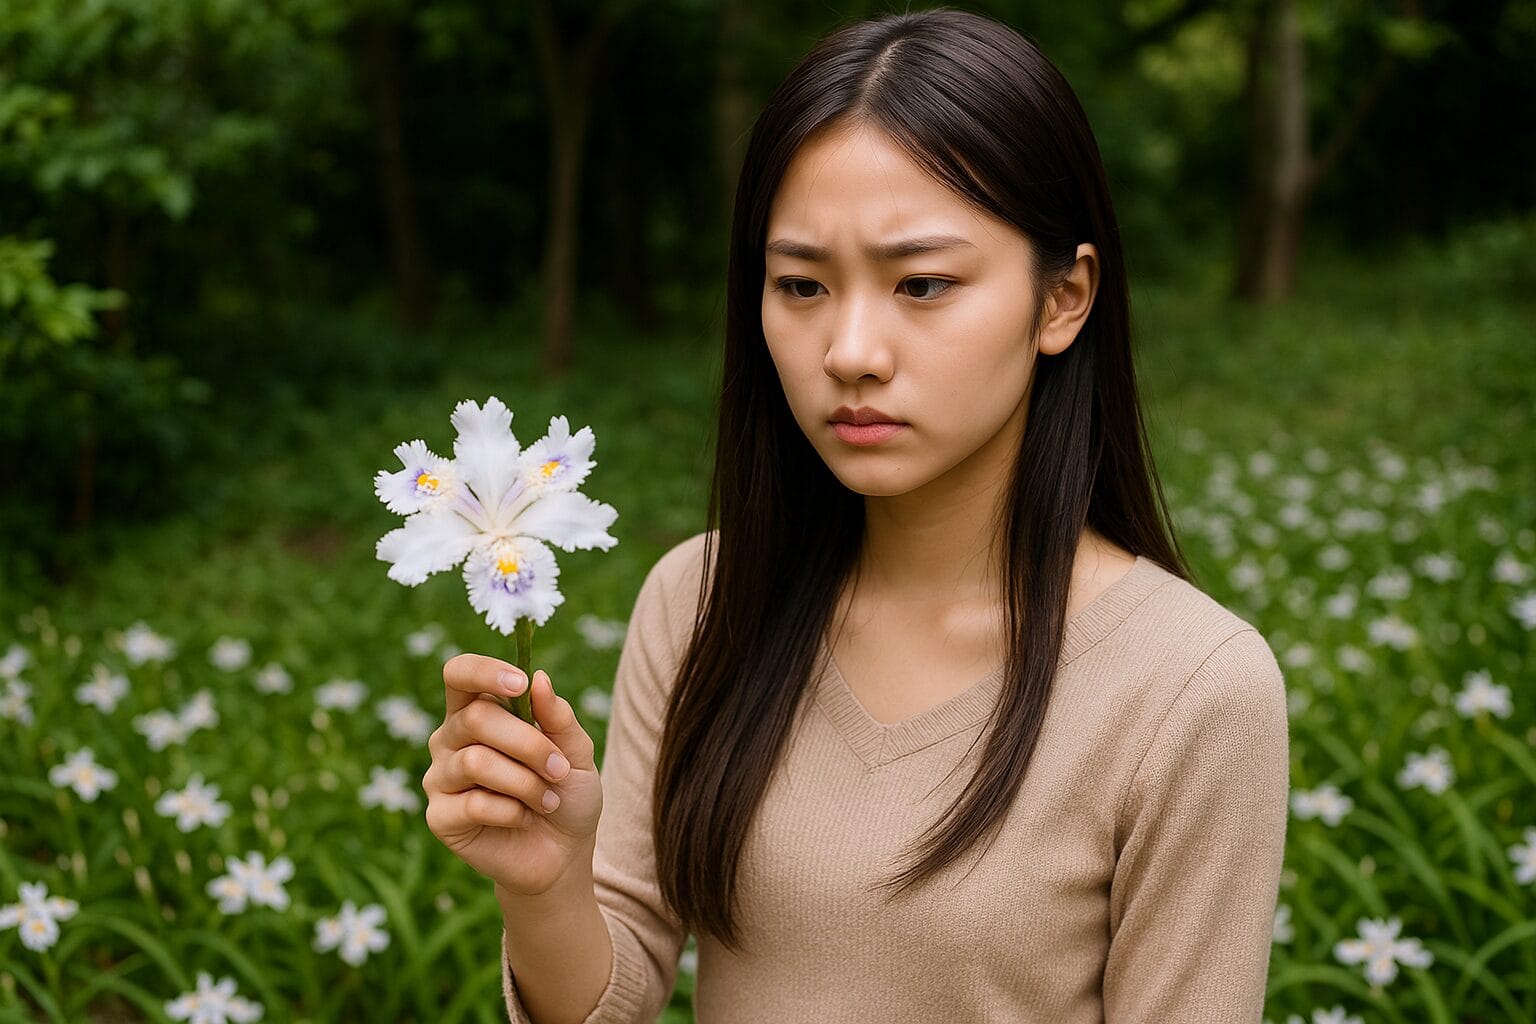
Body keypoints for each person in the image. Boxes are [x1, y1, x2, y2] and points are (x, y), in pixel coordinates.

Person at [422, 6, 1290, 1023]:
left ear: (1065, 298)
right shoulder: (702, 600)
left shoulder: (1192, 689)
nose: (850, 350)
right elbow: (611, 1001)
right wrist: (546, 885)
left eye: (922, 282)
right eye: (801, 284)